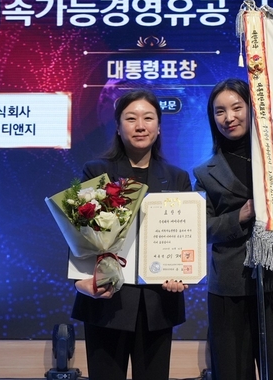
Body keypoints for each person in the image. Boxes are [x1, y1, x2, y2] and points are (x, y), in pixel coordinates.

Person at [71, 89, 192, 380]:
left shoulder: (177, 177)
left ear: (159, 127)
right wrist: (80, 281)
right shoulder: (96, 171)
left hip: (157, 303)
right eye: (131, 118)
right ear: (117, 126)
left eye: (148, 118)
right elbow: (78, 231)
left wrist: (181, 273)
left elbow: (184, 237)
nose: (140, 126)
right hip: (106, 300)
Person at [193, 78, 273, 380]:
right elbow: (200, 228)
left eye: (236, 108)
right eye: (219, 111)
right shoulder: (204, 173)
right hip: (230, 286)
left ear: (252, 108)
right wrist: (239, 217)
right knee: (232, 371)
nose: (228, 118)